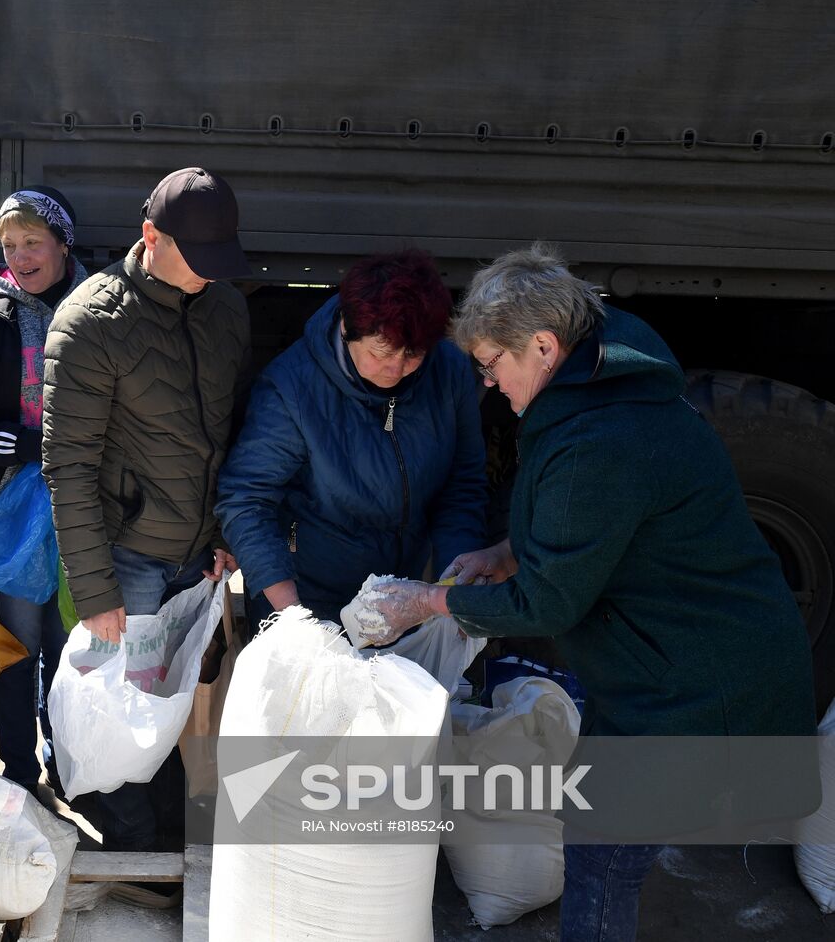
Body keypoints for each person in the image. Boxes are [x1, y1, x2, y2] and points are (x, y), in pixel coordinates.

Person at [373, 243, 814, 941]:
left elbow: (549, 604)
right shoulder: (599, 381)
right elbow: (607, 522)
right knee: (598, 836)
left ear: (543, 346)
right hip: (670, 663)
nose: (487, 383)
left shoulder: (599, 441)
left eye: (492, 364)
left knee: (602, 849)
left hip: (697, 685)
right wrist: (505, 552)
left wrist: (428, 603)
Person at [42, 166, 252, 850]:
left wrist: (224, 530)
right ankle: (135, 850)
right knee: (120, 713)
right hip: (125, 564)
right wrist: (96, 591)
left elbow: (227, 430)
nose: (204, 277)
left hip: (194, 560)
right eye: (194, 261)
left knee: (168, 706)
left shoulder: (227, 309)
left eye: (217, 265)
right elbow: (67, 467)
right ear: (148, 236)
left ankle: (164, 835)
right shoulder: (89, 323)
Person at [216, 250, 487, 626]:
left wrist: (451, 590)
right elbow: (246, 499)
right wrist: (294, 619)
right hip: (308, 592)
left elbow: (463, 483)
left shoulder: (448, 369)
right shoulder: (291, 387)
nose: (396, 369)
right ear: (347, 328)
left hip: (403, 594)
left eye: (413, 355)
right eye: (381, 353)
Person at [0, 186, 88, 795]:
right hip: (11, 515)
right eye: (10, 245)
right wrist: (34, 447)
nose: (21, 257)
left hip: (83, 510)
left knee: (72, 649)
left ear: (63, 244)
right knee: (18, 646)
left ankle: (67, 764)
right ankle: (21, 773)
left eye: (33, 242)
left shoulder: (96, 306)